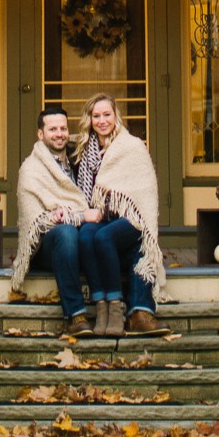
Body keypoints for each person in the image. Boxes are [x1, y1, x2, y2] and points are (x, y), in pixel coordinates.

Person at [73, 92, 169, 337]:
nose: (102, 120)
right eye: (96, 116)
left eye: (107, 114)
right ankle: (101, 304)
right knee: (85, 236)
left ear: (116, 116)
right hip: (101, 216)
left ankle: (116, 306)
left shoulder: (131, 146)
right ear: (89, 119)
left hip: (132, 217)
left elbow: (145, 187)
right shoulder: (86, 150)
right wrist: (87, 211)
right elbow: (83, 191)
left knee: (105, 238)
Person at [11, 105, 95, 337]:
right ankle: (76, 315)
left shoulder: (79, 162)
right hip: (47, 246)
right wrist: (75, 216)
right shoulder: (31, 169)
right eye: (53, 129)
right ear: (41, 134)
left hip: (82, 238)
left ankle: (114, 306)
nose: (59, 133)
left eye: (63, 128)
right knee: (65, 232)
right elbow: (37, 221)